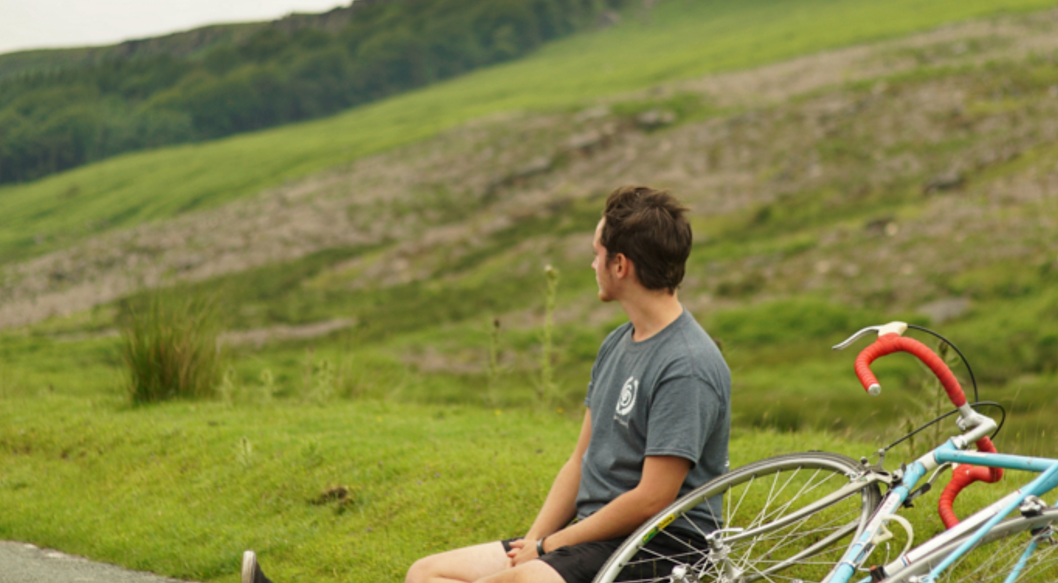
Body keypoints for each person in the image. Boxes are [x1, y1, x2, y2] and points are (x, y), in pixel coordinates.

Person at [241, 186, 731, 583]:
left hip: (657, 552)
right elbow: (579, 461)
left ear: (620, 265)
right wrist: (534, 541)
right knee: (426, 574)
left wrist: (552, 546)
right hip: (588, 540)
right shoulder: (617, 344)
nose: (591, 264)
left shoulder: (685, 365)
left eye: (596, 253)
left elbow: (653, 500)